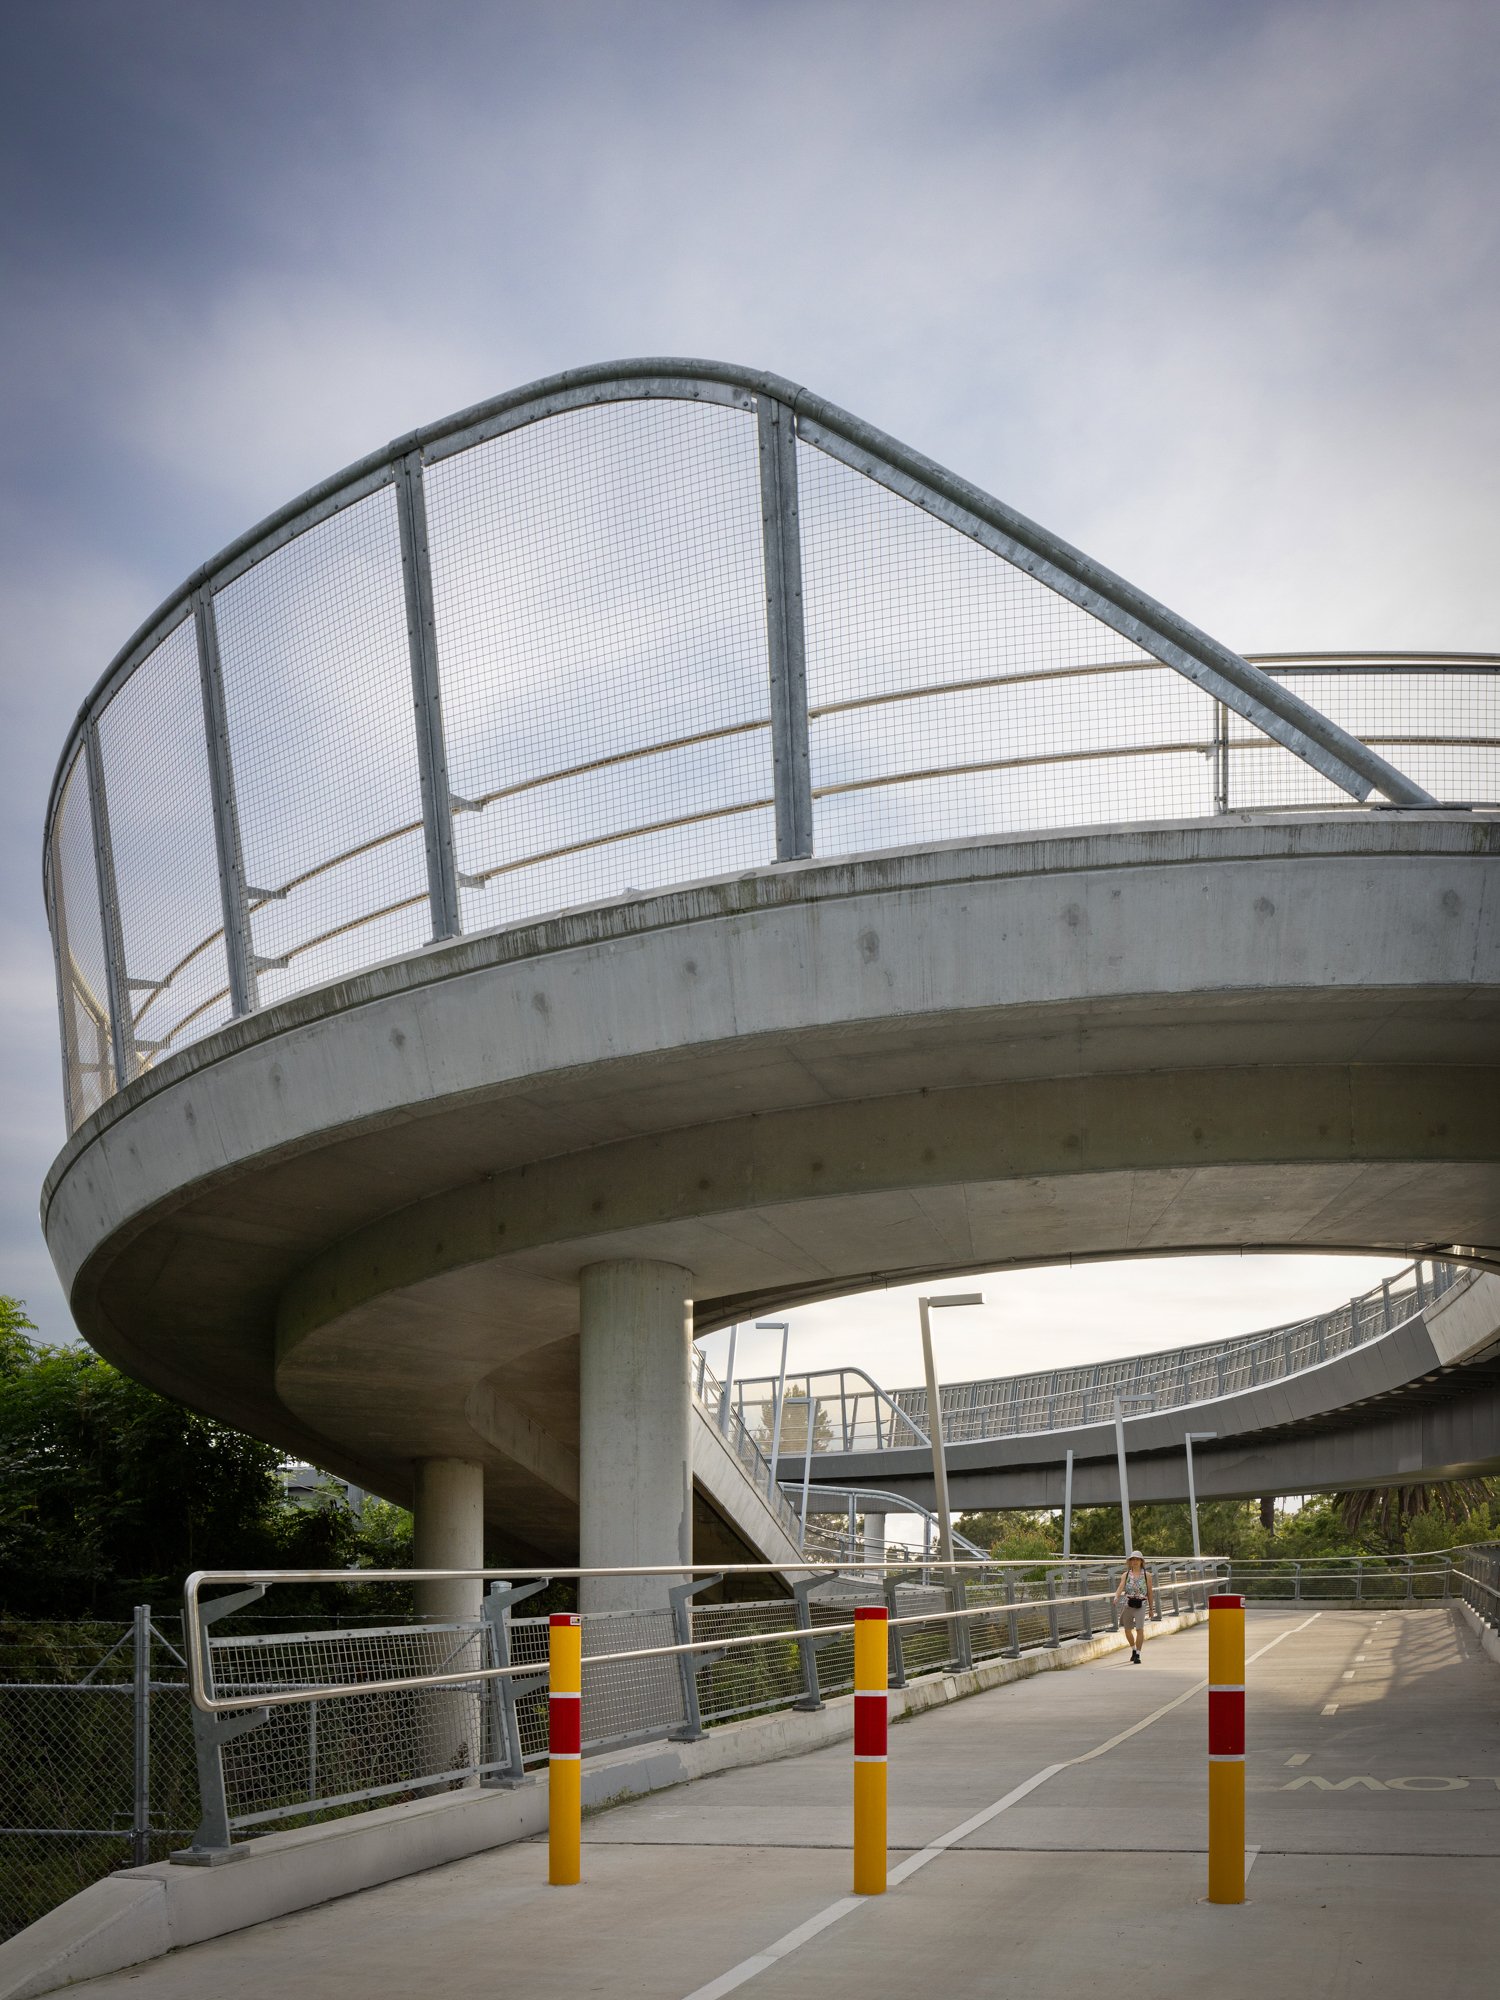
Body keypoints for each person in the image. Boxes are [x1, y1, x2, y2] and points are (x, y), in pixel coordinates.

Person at [1113, 1550, 1155, 1662]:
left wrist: (1151, 1608)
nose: (1135, 1561)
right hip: (1128, 1605)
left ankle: (1138, 1655)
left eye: (1137, 1559)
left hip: (1141, 1605)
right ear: (1130, 1562)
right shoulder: (1126, 1575)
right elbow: (1121, 1587)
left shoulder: (1147, 1575)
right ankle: (1133, 1649)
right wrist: (1116, 1596)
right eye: (1133, 1559)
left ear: (1141, 1561)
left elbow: (1150, 1592)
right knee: (1127, 1630)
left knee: (1139, 1629)